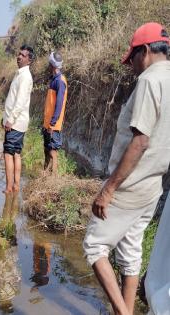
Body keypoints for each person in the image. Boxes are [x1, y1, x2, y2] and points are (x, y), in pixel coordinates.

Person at [83, 22, 170, 315]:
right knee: (131, 252)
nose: (131, 66)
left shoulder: (149, 81)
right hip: (153, 185)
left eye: (132, 58)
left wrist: (108, 189)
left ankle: (122, 313)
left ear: (144, 51)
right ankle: (128, 308)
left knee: (95, 246)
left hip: (131, 185)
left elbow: (140, 141)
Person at [2, 45, 34, 193]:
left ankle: (9, 188)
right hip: (16, 121)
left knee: (8, 153)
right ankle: (15, 185)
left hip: (15, 122)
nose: (19, 56)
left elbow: (20, 102)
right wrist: (5, 117)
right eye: (18, 54)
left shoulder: (25, 77)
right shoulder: (20, 74)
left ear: (29, 60)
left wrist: (10, 120)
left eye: (23, 55)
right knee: (16, 153)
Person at [42, 51, 68, 176]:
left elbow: (59, 105)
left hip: (53, 124)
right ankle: (45, 174)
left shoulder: (60, 81)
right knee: (47, 149)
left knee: (53, 151)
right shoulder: (54, 79)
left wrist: (52, 123)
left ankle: (53, 178)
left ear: (52, 65)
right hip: (47, 123)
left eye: (49, 63)